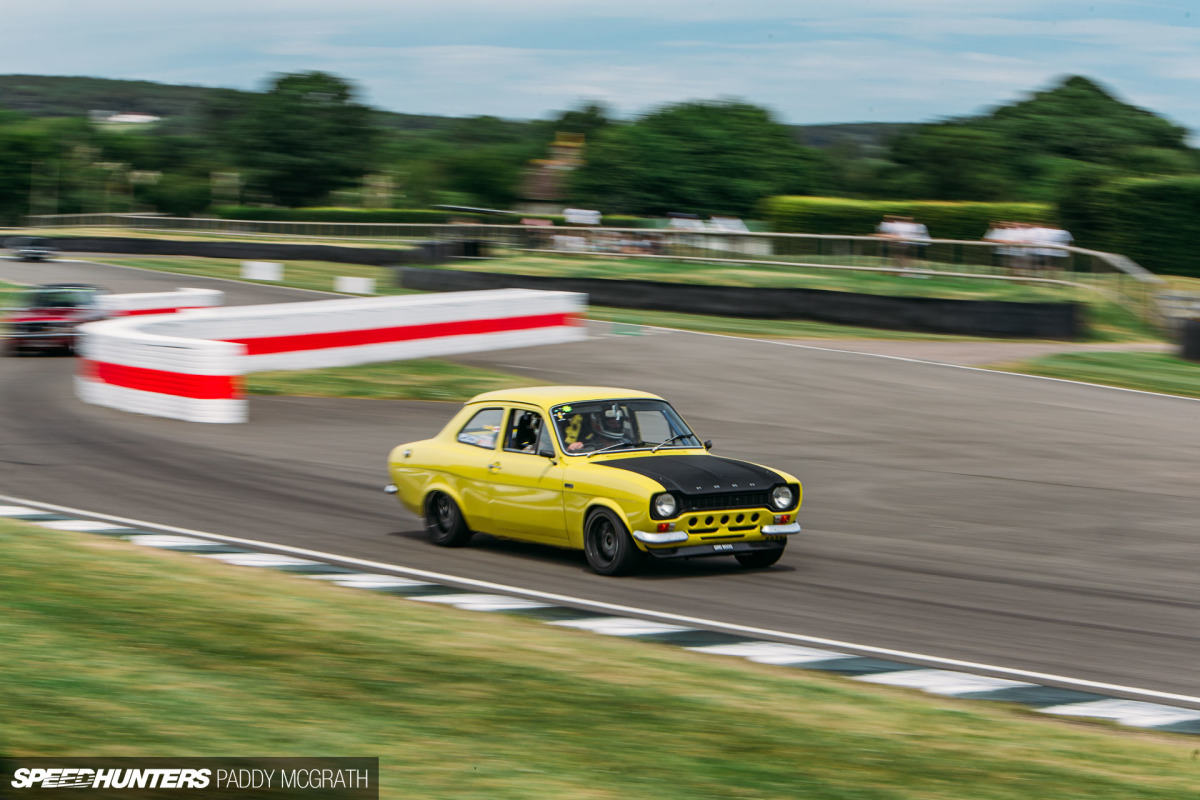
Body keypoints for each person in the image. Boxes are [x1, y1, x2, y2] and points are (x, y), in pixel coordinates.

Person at [559, 405, 631, 453]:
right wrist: (570, 449)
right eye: (611, 423)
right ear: (597, 423)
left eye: (618, 423)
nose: (616, 425)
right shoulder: (585, 447)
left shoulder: (628, 443)